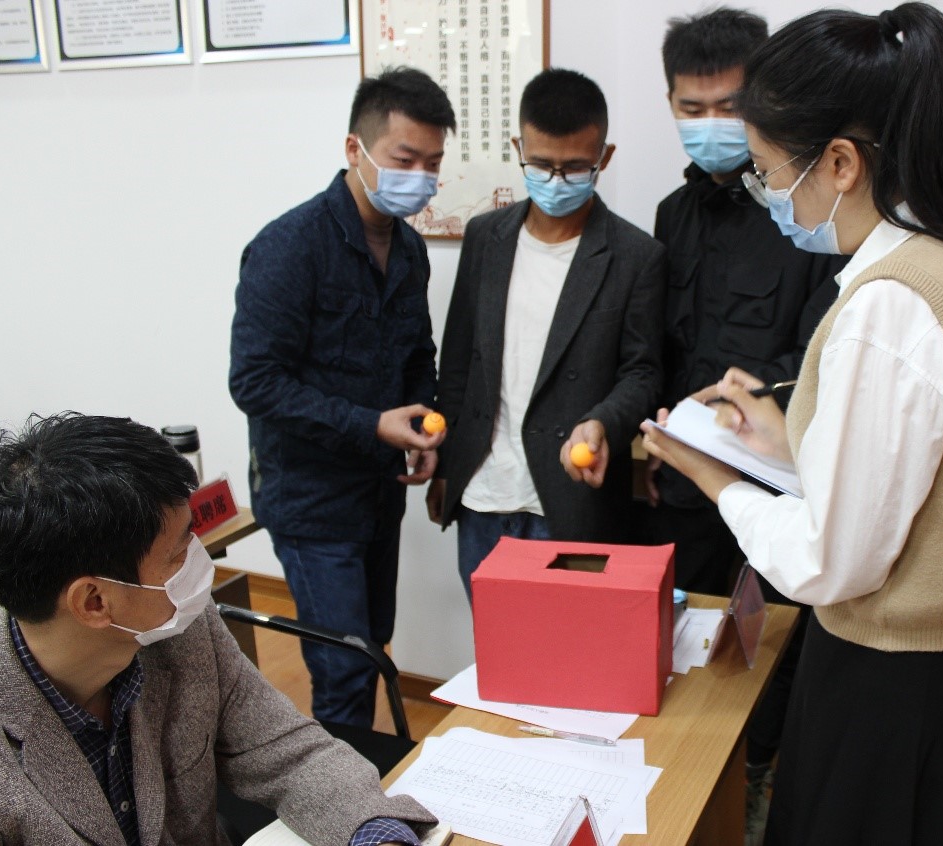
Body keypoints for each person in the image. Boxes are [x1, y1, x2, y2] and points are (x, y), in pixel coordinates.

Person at [641, 4, 943, 843]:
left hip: (891, 693)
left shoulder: (890, 305)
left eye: (766, 171)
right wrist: (786, 441)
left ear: (838, 162)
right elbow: (932, 481)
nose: (764, 194)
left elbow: (829, 561)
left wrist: (712, 474)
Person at [0, 413, 434, 845]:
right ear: (94, 602)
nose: (197, 562)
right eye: (178, 553)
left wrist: (377, 834)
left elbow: (285, 749)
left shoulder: (176, 625)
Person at [647, 10, 850, 844]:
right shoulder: (671, 214)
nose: (709, 125)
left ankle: (754, 777)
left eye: (727, 107)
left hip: (775, 482)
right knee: (688, 643)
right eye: (690, 109)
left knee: (771, 646)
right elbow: (659, 346)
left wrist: (749, 412)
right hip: (685, 481)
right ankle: (683, 787)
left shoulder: (807, 213)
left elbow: (818, 354)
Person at [229, 68, 452, 728]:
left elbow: (418, 355)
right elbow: (254, 381)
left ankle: (362, 776)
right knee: (344, 668)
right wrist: (372, 425)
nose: (419, 177)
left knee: (372, 644)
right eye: (404, 160)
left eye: (433, 163)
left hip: (378, 491)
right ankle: (339, 788)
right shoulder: (288, 246)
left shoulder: (409, 250)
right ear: (355, 149)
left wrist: (424, 424)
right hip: (311, 497)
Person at [426, 68, 665, 601]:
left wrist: (603, 421)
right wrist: (446, 467)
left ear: (604, 157)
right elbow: (460, 359)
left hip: (570, 499)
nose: (556, 181)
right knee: (494, 643)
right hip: (482, 492)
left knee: (571, 644)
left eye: (575, 167)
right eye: (541, 165)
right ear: (519, 148)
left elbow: (644, 373)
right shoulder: (486, 236)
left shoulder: (636, 256)